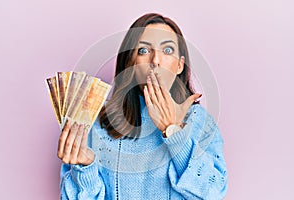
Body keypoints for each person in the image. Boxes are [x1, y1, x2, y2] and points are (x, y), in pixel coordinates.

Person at [57, 13, 228, 200]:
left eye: (168, 50)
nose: (155, 60)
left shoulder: (200, 121)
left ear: (180, 65)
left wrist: (174, 132)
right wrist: (85, 171)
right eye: (144, 51)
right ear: (130, 62)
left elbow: (214, 194)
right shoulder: (97, 122)